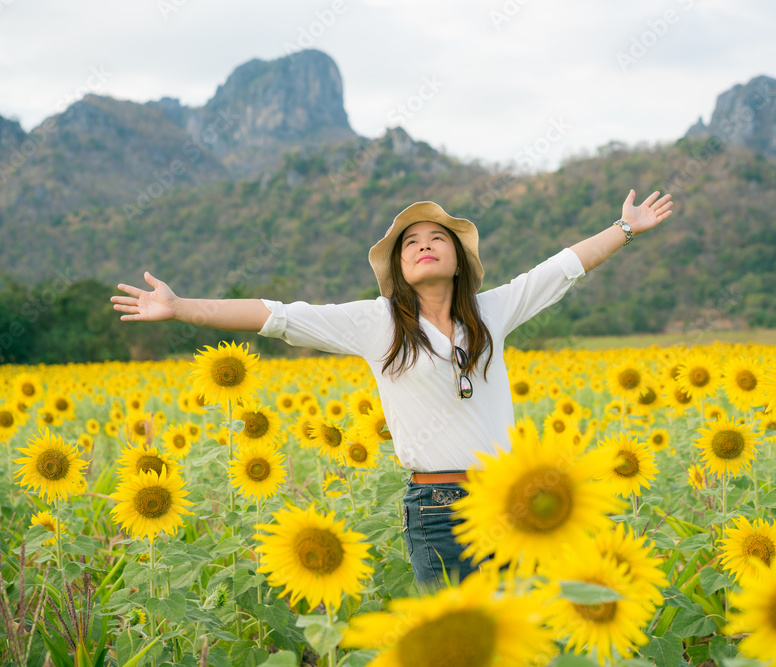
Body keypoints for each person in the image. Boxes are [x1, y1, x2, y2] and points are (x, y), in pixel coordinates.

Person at [111, 189, 673, 590]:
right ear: (399, 269)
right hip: (437, 510)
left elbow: (563, 268)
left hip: (512, 505)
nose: (424, 245)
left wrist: (625, 229)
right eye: (411, 244)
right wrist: (181, 308)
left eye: (437, 238)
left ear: (458, 260)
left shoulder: (490, 312)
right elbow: (275, 315)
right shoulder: (377, 324)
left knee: (518, 641)